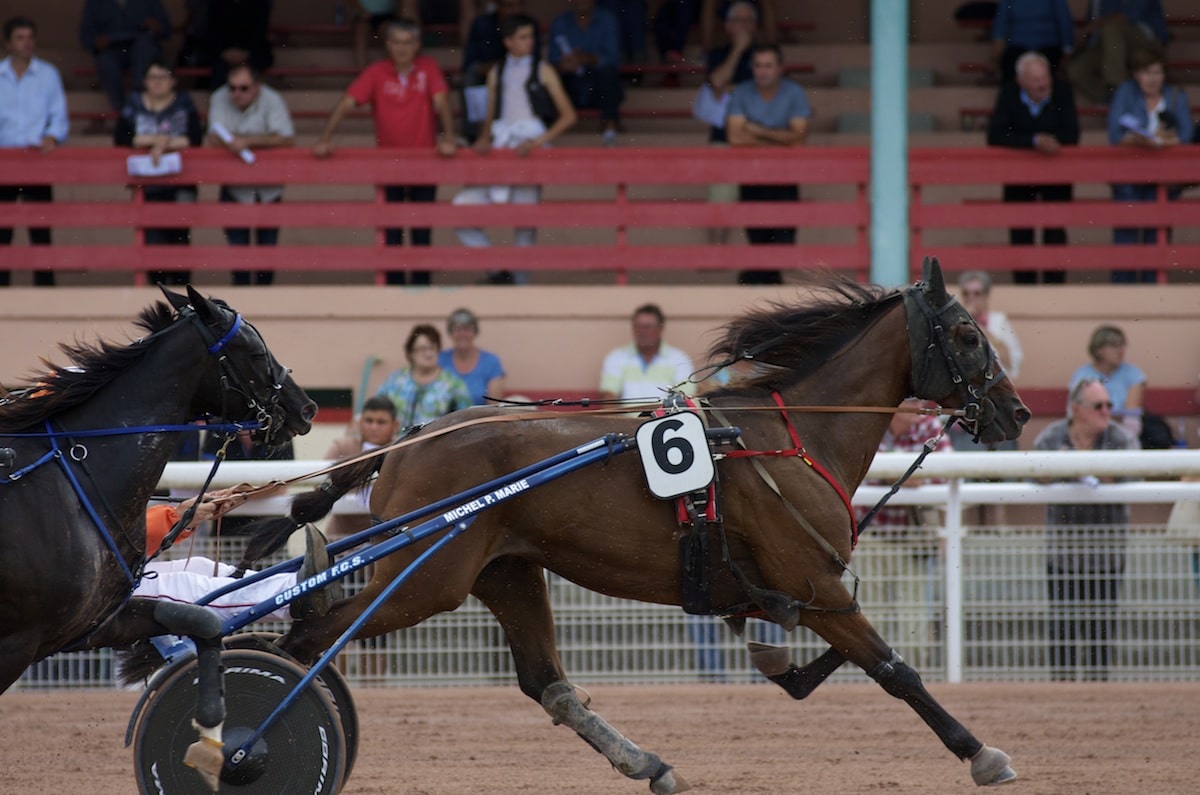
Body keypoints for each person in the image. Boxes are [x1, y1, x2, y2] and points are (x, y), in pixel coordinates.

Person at [314, 18, 458, 286]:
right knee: (392, 228)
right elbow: (347, 102)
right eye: (396, 42)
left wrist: (448, 138)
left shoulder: (428, 67)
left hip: (424, 163)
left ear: (416, 45)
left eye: (407, 42)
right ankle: (393, 287)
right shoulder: (377, 71)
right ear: (388, 45)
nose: (402, 48)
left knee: (421, 227)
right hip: (388, 164)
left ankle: (420, 287)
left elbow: (442, 101)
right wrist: (325, 138)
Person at [453, 13, 577, 283]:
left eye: (531, 36)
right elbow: (490, 115)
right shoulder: (496, 72)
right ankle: (498, 271)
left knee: (525, 223)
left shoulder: (543, 69)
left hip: (528, 147)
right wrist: (483, 138)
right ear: (507, 41)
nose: (528, 42)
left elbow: (568, 115)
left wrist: (537, 143)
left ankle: (519, 286)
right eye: (522, 37)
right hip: (501, 145)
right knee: (459, 209)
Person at [1034, 378, 1139, 681]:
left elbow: (1132, 480)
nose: (1106, 411)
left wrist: (1081, 468)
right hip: (1063, 554)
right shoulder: (1051, 437)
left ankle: (1099, 689)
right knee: (1062, 628)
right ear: (1076, 408)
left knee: (1101, 630)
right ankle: (1061, 690)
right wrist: (1071, 470)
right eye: (1099, 406)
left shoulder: (1120, 439)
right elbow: (1035, 475)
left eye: (1109, 405)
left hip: (1106, 556)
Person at [138, 488, 338, 622]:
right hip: (112, 584)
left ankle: (290, 582)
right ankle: (293, 594)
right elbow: (119, 536)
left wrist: (180, 517)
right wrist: (175, 518)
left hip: (115, 573)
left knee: (202, 567)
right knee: (181, 587)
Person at [856, 398, 952, 670]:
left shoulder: (930, 428)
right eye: (911, 398)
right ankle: (873, 675)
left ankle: (912, 676)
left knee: (914, 620)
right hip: (870, 537)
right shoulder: (870, 424)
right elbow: (852, 468)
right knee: (868, 618)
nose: (919, 404)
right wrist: (906, 476)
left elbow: (944, 474)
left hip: (914, 539)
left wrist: (889, 474)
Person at [985, 50, 1078, 285]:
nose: (1043, 84)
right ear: (1021, 81)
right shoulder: (1008, 94)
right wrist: (1034, 141)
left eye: (1045, 77)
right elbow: (995, 135)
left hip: (1057, 175)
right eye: (1036, 80)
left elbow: (1072, 134)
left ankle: (1055, 287)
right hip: (1019, 176)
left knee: (1055, 232)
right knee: (1021, 232)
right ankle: (1023, 286)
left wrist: (1050, 142)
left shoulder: (1062, 90)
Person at [726, 42, 811, 285]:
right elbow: (735, 137)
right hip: (752, 176)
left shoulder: (794, 92)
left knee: (785, 239)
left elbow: (799, 139)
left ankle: (769, 284)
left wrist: (754, 130)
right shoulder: (742, 91)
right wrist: (779, 136)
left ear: (780, 68)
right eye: (758, 65)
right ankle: (766, 284)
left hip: (785, 176)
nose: (763, 71)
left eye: (768, 66)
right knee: (757, 239)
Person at [205, 62, 296, 286]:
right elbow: (213, 138)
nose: (236, 93)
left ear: (257, 87)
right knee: (238, 255)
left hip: (268, 188)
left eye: (243, 88)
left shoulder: (271, 99)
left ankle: (267, 304)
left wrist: (246, 141)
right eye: (232, 88)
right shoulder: (219, 97)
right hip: (234, 187)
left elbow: (286, 139)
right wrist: (257, 142)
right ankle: (241, 306)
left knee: (267, 253)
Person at [1106, 47, 1192, 283]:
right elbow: (1115, 134)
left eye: (1157, 73)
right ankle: (1123, 291)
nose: (1152, 79)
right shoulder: (1126, 93)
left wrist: (1164, 141)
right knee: (1127, 235)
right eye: (1146, 73)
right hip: (1129, 176)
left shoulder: (1176, 97)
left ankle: (1154, 288)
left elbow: (1186, 136)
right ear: (1135, 74)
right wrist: (1137, 140)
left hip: (1164, 179)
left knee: (1158, 236)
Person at [114, 60, 204, 286]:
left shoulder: (183, 103)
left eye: (163, 77)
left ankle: (184, 292)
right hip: (147, 183)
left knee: (180, 237)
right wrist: (156, 141)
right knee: (153, 239)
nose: (157, 83)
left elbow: (194, 138)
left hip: (181, 182)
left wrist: (164, 144)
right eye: (152, 77)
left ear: (173, 81)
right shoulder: (134, 103)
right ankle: (159, 290)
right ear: (144, 82)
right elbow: (121, 137)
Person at [0, 15, 68, 288]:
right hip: (3, 163)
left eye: (29, 37)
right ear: (7, 42)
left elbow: (59, 117)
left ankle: (46, 288)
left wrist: (52, 136)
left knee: (41, 229)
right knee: (2, 231)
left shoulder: (48, 74)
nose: (25, 43)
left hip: (37, 162)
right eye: (19, 37)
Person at [702, 1, 757, 245]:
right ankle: (717, 252)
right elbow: (717, 82)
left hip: (760, 136)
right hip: (724, 135)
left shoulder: (766, 54)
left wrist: (732, 89)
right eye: (737, 20)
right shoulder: (717, 54)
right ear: (726, 25)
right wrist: (737, 50)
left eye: (747, 21)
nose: (743, 26)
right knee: (720, 198)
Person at [459, 0, 541, 143]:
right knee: (470, 77)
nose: (514, 10)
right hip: (486, 74)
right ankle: (472, 134)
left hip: (522, 79)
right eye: (509, 6)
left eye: (518, 5)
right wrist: (498, 69)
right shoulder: (482, 24)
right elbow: (470, 62)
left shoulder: (530, 23)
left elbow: (534, 61)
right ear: (498, 6)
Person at [323, 395, 401, 538]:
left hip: (387, 539)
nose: (374, 427)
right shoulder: (342, 447)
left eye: (381, 422)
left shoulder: (403, 451)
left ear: (395, 425)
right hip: (341, 538)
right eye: (369, 421)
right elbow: (321, 486)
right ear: (359, 423)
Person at [549, 0, 625, 145]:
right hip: (571, 85)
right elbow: (553, 60)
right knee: (552, 76)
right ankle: (553, 128)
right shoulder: (560, 22)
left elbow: (613, 59)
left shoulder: (607, 19)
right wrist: (563, 64)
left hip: (597, 84)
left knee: (608, 72)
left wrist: (587, 58)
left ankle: (609, 126)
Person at [1068, 0, 1169, 105]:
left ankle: (1118, 87)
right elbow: (1092, 23)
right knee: (1077, 71)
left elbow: (1126, 15)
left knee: (1111, 27)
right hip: (1107, 45)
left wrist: (1088, 29)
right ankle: (1116, 101)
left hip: (1144, 41)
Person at [79, 0, 171, 114]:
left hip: (141, 47)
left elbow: (167, 29)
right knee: (105, 61)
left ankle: (141, 101)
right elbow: (86, 36)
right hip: (112, 49)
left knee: (144, 47)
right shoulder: (95, 3)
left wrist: (157, 26)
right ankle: (122, 112)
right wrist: (96, 41)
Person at [201, 428, 294, 535]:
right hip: (228, 522)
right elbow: (209, 479)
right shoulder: (219, 428)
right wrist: (254, 491)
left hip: (269, 523)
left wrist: (235, 493)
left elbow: (283, 485)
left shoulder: (279, 428)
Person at [376, 323, 472, 426]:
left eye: (432, 348)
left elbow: (466, 420)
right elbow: (376, 410)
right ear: (411, 353)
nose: (428, 354)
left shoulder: (453, 384)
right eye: (422, 349)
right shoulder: (395, 381)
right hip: (399, 441)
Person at [599, 303, 696, 401]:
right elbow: (608, 397)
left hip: (667, 416)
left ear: (660, 329)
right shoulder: (617, 357)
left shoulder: (679, 359)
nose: (642, 332)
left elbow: (686, 397)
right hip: (627, 416)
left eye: (648, 327)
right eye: (638, 326)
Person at [1069, 324, 1147, 440]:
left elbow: (1131, 416)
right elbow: (1077, 413)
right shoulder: (1082, 375)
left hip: (1124, 431)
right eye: (1114, 346)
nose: (1120, 350)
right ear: (1099, 350)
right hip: (1090, 430)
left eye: (1122, 345)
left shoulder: (1133, 374)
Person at [956, 270, 1023, 384]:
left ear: (986, 295)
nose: (970, 298)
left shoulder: (999, 320)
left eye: (976, 293)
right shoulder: (954, 322)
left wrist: (983, 331)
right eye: (966, 293)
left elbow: (1012, 361)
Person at [989, 0, 1074, 83]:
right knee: (1010, 74)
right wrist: (995, 58)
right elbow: (1000, 25)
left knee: (1047, 76)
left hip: (1048, 46)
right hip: (1017, 46)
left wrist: (1067, 51)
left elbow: (1064, 21)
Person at [437, 308, 507, 405]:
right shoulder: (440, 360)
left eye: (467, 329)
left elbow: (493, 406)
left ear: (475, 332)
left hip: (479, 419)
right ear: (450, 333)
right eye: (457, 329)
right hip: (444, 419)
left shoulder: (491, 362)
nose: (462, 334)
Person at [201, 0, 273, 91]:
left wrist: (245, 54)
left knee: (260, 60)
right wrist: (224, 53)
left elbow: (260, 31)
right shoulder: (216, 3)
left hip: (251, 53)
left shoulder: (260, 3)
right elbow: (211, 31)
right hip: (222, 54)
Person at [353, 1, 397, 69]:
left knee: (390, 35)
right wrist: (362, 11)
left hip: (386, 16)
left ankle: (390, 71)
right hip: (363, 16)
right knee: (360, 32)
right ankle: (362, 72)